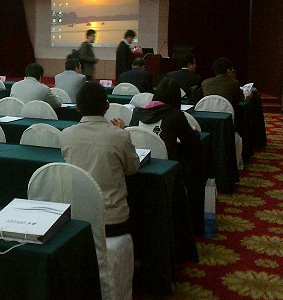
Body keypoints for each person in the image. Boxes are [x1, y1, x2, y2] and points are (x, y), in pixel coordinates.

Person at [60, 81, 140, 237]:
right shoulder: (119, 136)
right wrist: (119, 134)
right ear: (107, 106)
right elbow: (132, 169)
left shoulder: (66, 135)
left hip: (79, 217)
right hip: (113, 220)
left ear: (78, 108)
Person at [129, 78, 199, 160]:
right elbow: (190, 141)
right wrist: (194, 131)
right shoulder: (175, 115)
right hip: (167, 161)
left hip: (139, 158)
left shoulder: (137, 113)